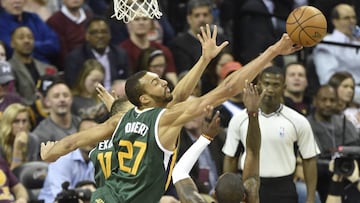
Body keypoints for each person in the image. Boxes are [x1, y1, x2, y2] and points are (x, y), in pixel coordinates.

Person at [41, 25, 302, 203]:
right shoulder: (164, 119)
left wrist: (51, 152)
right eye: (155, 82)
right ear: (143, 98)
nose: (164, 81)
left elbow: (74, 141)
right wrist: (273, 51)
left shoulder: (120, 119)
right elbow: (229, 88)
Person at [223, 66, 320, 203]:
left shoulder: (298, 121)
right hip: (248, 185)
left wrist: (310, 199)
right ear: (259, 85)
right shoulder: (239, 119)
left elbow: (309, 159)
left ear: (284, 87)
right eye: (266, 83)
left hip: (283, 188)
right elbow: (230, 158)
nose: (270, 89)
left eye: (276, 85)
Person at [173, 81, 262, 203]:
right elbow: (253, 152)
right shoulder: (252, 198)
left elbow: (179, 171)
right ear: (244, 198)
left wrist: (205, 138)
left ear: (214, 195)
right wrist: (253, 114)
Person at [307, 84, 360, 202]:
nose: (328, 104)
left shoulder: (345, 123)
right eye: (324, 100)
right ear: (315, 101)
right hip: (321, 178)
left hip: (349, 175)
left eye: (332, 100)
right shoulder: (307, 124)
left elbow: (357, 149)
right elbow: (311, 159)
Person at [38, 119, 96, 203]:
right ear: (76, 135)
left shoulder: (101, 158)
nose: (90, 138)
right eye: (86, 134)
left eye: (94, 134)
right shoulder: (62, 158)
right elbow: (61, 197)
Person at [64, 17, 129, 90]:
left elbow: (128, 81)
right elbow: (73, 86)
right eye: (94, 32)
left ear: (110, 34)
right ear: (87, 36)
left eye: (104, 32)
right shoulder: (75, 58)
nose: (100, 36)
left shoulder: (120, 54)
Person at [313, 3, 360, 103]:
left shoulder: (357, 41)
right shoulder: (327, 43)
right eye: (347, 18)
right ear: (335, 21)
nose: (352, 21)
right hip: (343, 98)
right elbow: (327, 79)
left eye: (354, 17)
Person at [169, 0, 227, 76]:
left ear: (211, 17)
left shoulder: (220, 39)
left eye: (205, 15)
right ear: (189, 19)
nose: (201, 19)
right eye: (197, 15)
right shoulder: (178, 44)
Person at [120, 15, 178, 85]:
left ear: (152, 23)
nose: (141, 22)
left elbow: (172, 80)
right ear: (128, 23)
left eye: (145, 19)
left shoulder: (163, 50)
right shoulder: (121, 51)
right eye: (136, 19)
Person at [8, 26, 57, 105]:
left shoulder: (47, 67)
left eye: (30, 37)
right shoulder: (8, 68)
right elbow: (11, 96)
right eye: (21, 38)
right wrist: (34, 107)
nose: (27, 41)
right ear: (12, 43)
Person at [0, 0, 60, 64]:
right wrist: (40, 47)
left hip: (44, 66)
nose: (17, 1)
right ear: (2, 3)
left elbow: (54, 46)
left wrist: (29, 46)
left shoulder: (34, 18)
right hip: (17, 69)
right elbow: (11, 50)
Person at [46, 0, 93, 69]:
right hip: (69, 67)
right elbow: (61, 55)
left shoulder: (90, 17)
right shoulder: (54, 21)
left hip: (93, 65)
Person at [31, 80, 81, 144]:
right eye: (56, 96)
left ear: (71, 99)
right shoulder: (41, 134)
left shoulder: (81, 123)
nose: (62, 100)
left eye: (65, 95)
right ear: (47, 101)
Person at [0, 103, 39, 169]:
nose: (21, 126)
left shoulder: (32, 140)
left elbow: (32, 171)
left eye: (24, 121)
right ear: (8, 123)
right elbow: (9, 178)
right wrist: (17, 150)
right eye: (16, 121)